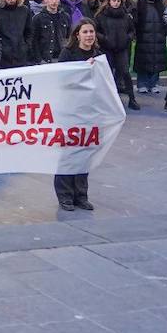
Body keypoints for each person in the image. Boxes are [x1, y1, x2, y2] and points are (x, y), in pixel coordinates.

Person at [54, 19, 102, 211]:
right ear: (77, 35)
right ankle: (65, 195)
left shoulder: (98, 55)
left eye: (91, 31)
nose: (89, 35)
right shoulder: (68, 54)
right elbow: (63, 79)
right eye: (85, 32)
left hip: (89, 110)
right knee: (68, 153)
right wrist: (84, 69)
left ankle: (81, 194)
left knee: (84, 153)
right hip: (70, 109)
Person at [94, 0, 138, 110]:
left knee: (125, 73)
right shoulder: (101, 15)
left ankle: (132, 98)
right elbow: (96, 30)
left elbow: (132, 30)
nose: (116, 3)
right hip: (107, 48)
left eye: (118, 1)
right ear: (109, 1)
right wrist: (104, 39)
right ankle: (106, 100)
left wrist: (127, 38)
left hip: (121, 48)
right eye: (114, 1)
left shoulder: (125, 16)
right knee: (107, 75)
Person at [131, 0, 167, 96]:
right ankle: (142, 84)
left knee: (156, 60)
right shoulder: (140, 4)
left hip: (158, 37)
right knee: (143, 60)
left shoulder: (161, 4)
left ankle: (154, 83)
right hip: (143, 37)